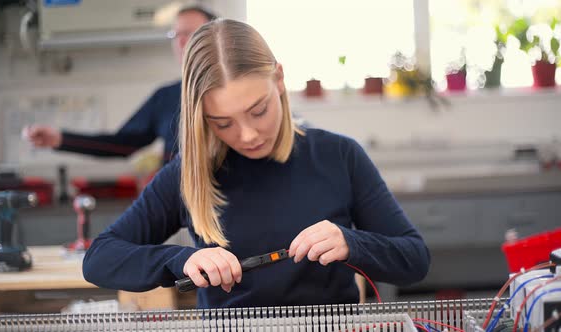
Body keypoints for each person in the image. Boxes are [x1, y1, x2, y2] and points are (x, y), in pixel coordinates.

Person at [82, 19, 430, 309]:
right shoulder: (188, 175)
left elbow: (414, 259)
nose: (247, 135)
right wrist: (179, 260)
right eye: (222, 122)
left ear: (279, 79)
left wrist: (352, 243)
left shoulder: (340, 156)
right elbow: (99, 258)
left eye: (258, 110)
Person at [21, 6, 217, 164]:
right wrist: (60, 139)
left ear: (215, 39)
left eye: (190, 33)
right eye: (175, 35)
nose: (181, 42)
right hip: (181, 206)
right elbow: (122, 144)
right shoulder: (165, 97)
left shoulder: (239, 91)